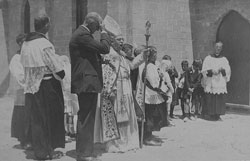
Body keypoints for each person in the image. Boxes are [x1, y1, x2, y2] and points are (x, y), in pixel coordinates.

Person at [94, 15, 146, 153]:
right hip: (116, 90)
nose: (122, 42)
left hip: (126, 89)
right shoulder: (109, 54)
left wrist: (142, 57)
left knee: (127, 116)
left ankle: (128, 141)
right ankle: (116, 144)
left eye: (122, 40)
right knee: (117, 116)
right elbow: (107, 74)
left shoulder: (121, 55)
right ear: (112, 40)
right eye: (119, 40)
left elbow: (131, 66)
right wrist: (110, 89)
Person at [20, 14, 65, 160]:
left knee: (37, 119)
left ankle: (40, 151)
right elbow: (55, 66)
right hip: (46, 85)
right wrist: (62, 73)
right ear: (46, 25)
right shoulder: (44, 44)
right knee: (50, 118)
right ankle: (49, 151)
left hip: (31, 86)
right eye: (49, 24)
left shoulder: (26, 43)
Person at [69, 12, 111, 161]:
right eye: (97, 26)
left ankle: (84, 150)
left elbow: (89, 56)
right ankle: (84, 153)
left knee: (86, 116)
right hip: (86, 82)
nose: (97, 29)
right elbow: (105, 48)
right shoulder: (82, 35)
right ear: (91, 23)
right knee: (86, 117)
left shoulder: (82, 35)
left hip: (87, 81)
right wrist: (104, 32)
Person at [137, 47, 169, 146]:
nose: (156, 56)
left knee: (154, 113)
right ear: (149, 56)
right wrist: (160, 79)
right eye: (154, 55)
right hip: (150, 95)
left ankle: (149, 135)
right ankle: (147, 137)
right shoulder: (149, 66)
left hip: (153, 94)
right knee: (150, 114)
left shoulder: (153, 66)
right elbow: (153, 82)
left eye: (156, 54)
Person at [9, 33, 32, 150]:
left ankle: (30, 139)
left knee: (31, 116)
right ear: (19, 43)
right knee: (22, 116)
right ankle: (24, 140)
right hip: (22, 92)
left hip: (31, 90)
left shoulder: (29, 56)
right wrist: (29, 83)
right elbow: (19, 75)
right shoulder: (16, 58)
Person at [201, 41, 231, 121]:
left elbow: (228, 71)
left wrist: (222, 70)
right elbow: (204, 70)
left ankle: (218, 115)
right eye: (217, 47)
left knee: (219, 98)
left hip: (220, 81)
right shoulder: (208, 58)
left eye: (220, 47)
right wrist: (211, 71)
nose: (218, 48)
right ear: (214, 47)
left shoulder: (224, 59)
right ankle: (210, 115)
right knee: (211, 98)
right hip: (211, 80)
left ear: (221, 49)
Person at [159, 59, 174, 126]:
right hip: (166, 91)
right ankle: (167, 121)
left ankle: (164, 121)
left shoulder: (159, 72)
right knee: (167, 107)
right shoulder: (165, 73)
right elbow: (169, 83)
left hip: (161, 91)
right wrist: (172, 90)